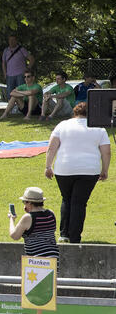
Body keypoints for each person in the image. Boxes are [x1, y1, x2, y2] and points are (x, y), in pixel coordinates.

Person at [45, 102, 110, 243]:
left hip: (64, 168)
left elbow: (52, 147)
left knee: (66, 199)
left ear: (75, 112)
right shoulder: (99, 128)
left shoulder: (62, 125)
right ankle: (75, 237)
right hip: (89, 169)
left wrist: (48, 166)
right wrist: (104, 170)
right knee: (79, 203)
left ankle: (64, 234)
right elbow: (106, 152)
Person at [9, 186, 59, 257]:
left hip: (36, 260)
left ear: (29, 203)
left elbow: (14, 236)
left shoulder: (28, 217)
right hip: (54, 258)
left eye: (24, 202)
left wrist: (11, 219)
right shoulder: (51, 214)